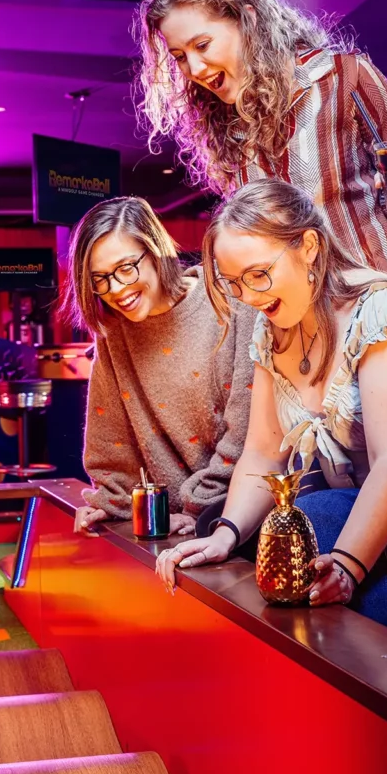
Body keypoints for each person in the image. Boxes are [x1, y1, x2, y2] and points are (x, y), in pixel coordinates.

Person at [156, 180, 387, 648]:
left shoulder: (383, 310)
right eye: (234, 283)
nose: (250, 296)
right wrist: (226, 535)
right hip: (376, 497)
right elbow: (262, 452)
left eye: (258, 274)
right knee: (305, 521)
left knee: (332, 534)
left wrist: (350, 567)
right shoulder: (274, 329)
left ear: (309, 247)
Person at [134, 0, 387, 315]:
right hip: (297, 323)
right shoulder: (225, 126)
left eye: (203, 45)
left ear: (248, 19)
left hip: (379, 301)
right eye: (180, 57)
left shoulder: (346, 77)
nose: (194, 69)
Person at [60, 196, 255, 538]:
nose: (116, 289)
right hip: (170, 527)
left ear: (156, 251)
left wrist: (200, 509)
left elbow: (247, 431)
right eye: (100, 279)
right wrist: (110, 502)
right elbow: (111, 445)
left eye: (125, 268)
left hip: (246, 510)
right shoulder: (113, 335)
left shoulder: (230, 299)